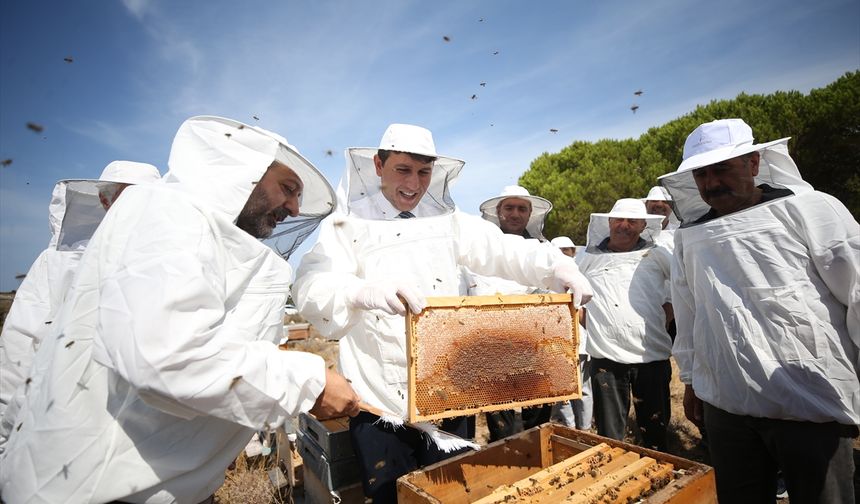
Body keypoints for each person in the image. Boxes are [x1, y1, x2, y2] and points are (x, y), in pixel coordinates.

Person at [0, 116, 361, 503]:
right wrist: (310, 380)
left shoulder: (197, 231)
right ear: (242, 172)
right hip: (89, 490)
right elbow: (165, 353)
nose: (293, 208)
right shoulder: (165, 211)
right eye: (288, 189)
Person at [293, 124, 593, 503]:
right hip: (381, 402)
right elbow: (309, 286)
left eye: (423, 172)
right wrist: (358, 291)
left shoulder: (447, 220)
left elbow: (504, 250)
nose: (413, 183)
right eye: (403, 169)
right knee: (393, 496)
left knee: (452, 493)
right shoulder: (347, 224)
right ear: (378, 165)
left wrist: (556, 266)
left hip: (450, 391)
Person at [659, 118, 859, 503]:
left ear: (753, 163)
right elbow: (689, 315)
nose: (711, 183)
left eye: (722, 169)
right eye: (701, 174)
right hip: (726, 403)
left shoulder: (813, 209)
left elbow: (857, 291)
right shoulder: (689, 236)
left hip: (810, 401)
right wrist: (693, 381)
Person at [0, 161, 161, 449]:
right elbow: (20, 349)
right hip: (54, 432)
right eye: (128, 197)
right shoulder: (57, 265)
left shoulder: (169, 267)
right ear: (104, 199)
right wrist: (4, 437)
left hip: (138, 443)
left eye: (145, 199)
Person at [578, 198, 674, 451]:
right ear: (609, 222)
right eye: (619, 220)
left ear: (643, 225)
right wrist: (598, 325)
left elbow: (679, 292)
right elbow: (575, 302)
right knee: (610, 437)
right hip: (606, 361)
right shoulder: (588, 259)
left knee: (656, 431)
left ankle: (659, 478)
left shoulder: (657, 255)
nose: (624, 226)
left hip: (651, 357)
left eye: (632, 221)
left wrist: (660, 321)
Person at [472, 185, 555, 441]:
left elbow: (552, 295)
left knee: (537, 417)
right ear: (498, 211)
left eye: (522, 208)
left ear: (530, 215)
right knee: (501, 420)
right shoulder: (480, 247)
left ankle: (535, 460)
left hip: (535, 344)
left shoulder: (545, 249)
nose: (515, 213)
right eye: (509, 207)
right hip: (492, 344)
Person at [548, 236, 594, 431]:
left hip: (579, 342)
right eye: (562, 250)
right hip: (555, 344)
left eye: (569, 250)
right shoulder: (547, 278)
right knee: (563, 389)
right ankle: (570, 428)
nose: (566, 253)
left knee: (582, 388)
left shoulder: (580, 277)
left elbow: (585, 314)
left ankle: (583, 429)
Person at [642, 185, 678, 251]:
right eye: (654, 200)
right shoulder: (635, 232)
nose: (659, 205)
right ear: (646, 204)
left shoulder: (679, 233)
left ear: (672, 207)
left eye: (665, 202)